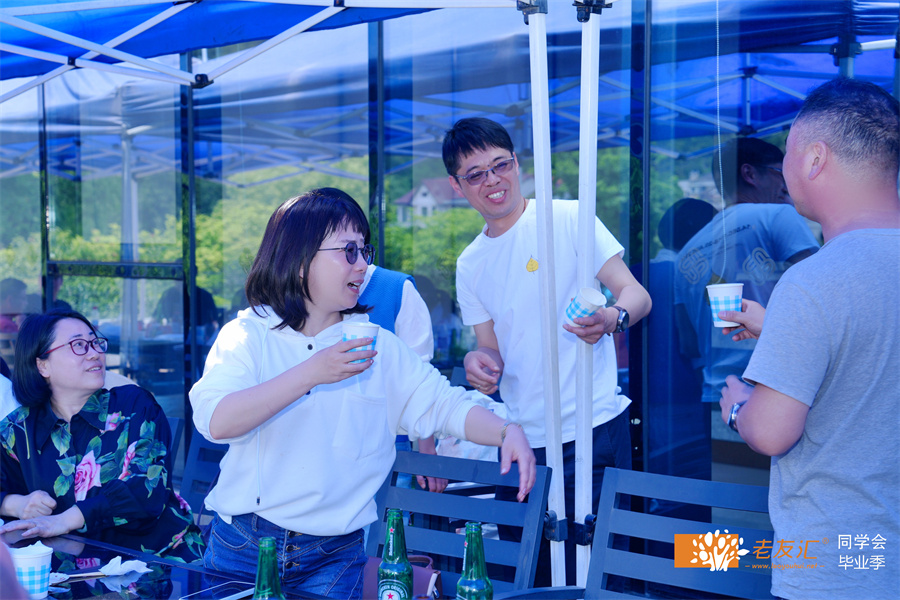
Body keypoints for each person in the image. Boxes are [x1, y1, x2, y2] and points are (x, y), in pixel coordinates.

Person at [189, 187, 536, 600]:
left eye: (363, 250)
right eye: (348, 251)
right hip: (245, 546)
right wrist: (312, 372)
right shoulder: (247, 335)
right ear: (299, 260)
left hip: (335, 556)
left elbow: (444, 404)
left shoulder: (376, 345)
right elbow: (217, 421)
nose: (362, 265)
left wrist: (505, 430)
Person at [443, 117, 651, 585]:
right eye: (475, 174)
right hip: (522, 440)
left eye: (500, 165)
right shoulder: (470, 263)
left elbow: (636, 295)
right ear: (457, 186)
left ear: (517, 164)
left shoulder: (568, 217)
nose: (492, 180)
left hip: (593, 427)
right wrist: (478, 363)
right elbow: (489, 350)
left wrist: (611, 318)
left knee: (600, 579)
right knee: (529, 578)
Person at [719, 78, 899, 599]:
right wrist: (781, 328)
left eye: (788, 152)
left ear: (815, 158)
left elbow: (771, 432)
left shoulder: (814, 281)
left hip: (837, 567)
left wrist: (738, 409)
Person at [0, 310, 204, 562]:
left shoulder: (134, 406)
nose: (95, 353)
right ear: (43, 365)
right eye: (78, 345)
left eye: (96, 342)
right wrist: (16, 504)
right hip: (68, 572)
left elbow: (145, 488)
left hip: (158, 563)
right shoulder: (17, 429)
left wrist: (63, 520)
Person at [674, 137, 820, 403]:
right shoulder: (778, 216)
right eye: (780, 173)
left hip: (719, 395)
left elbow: (688, 344)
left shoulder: (686, 252)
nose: (786, 185)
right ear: (750, 174)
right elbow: (822, 295)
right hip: (780, 389)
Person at [358, 263, 446, 494]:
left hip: (391, 441)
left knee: (393, 514)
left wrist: (426, 448)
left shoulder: (396, 288)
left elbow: (420, 375)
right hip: (329, 446)